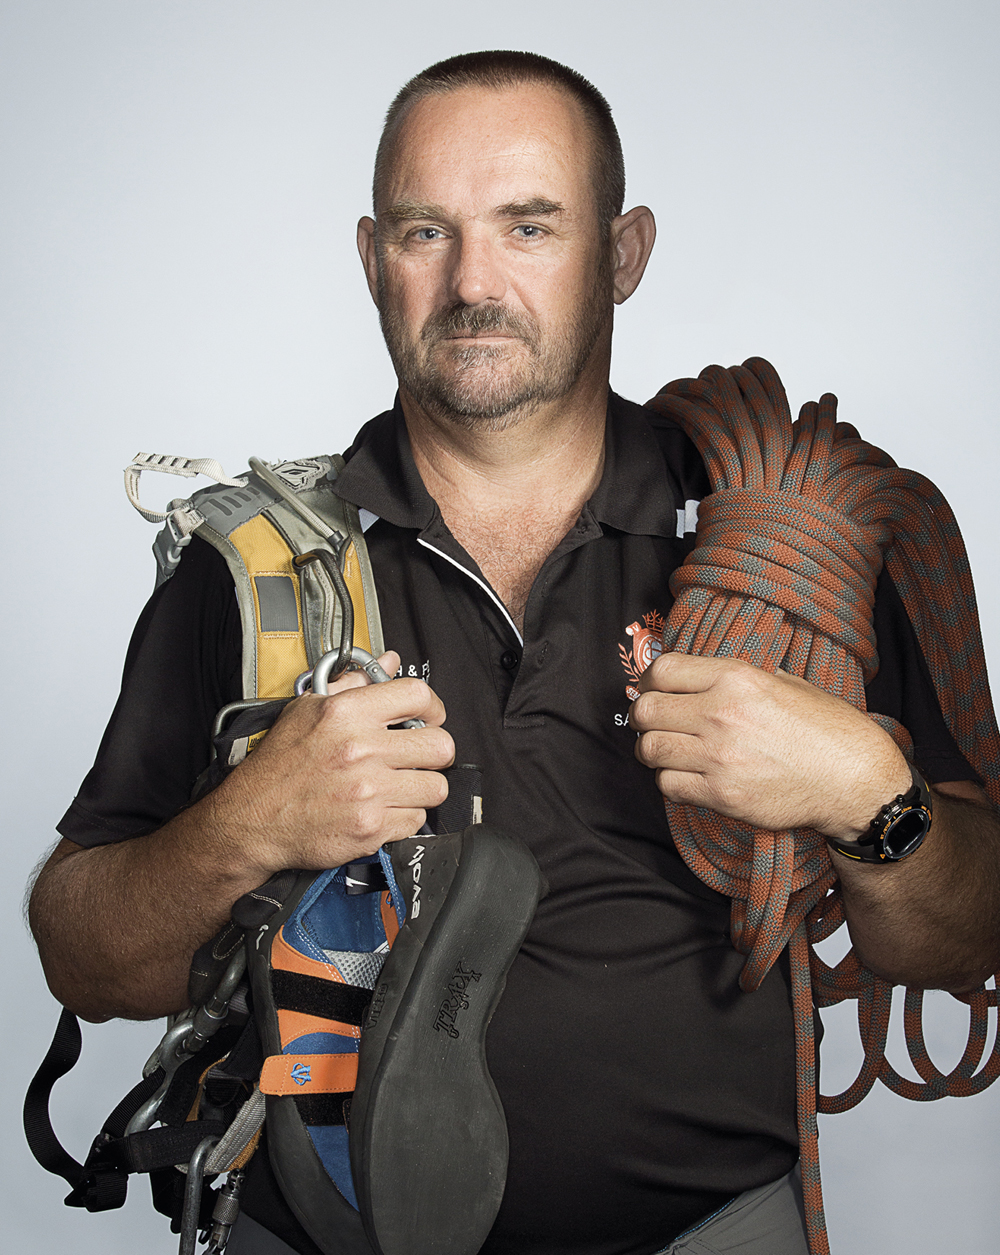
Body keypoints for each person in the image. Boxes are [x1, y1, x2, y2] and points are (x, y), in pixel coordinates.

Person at [28, 50, 1000, 1255]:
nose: (472, 281)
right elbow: (83, 957)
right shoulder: (260, 570)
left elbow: (964, 935)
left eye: (529, 226)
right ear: (373, 258)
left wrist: (867, 793)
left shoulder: (783, 546)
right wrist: (250, 827)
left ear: (624, 253)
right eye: (425, 229)